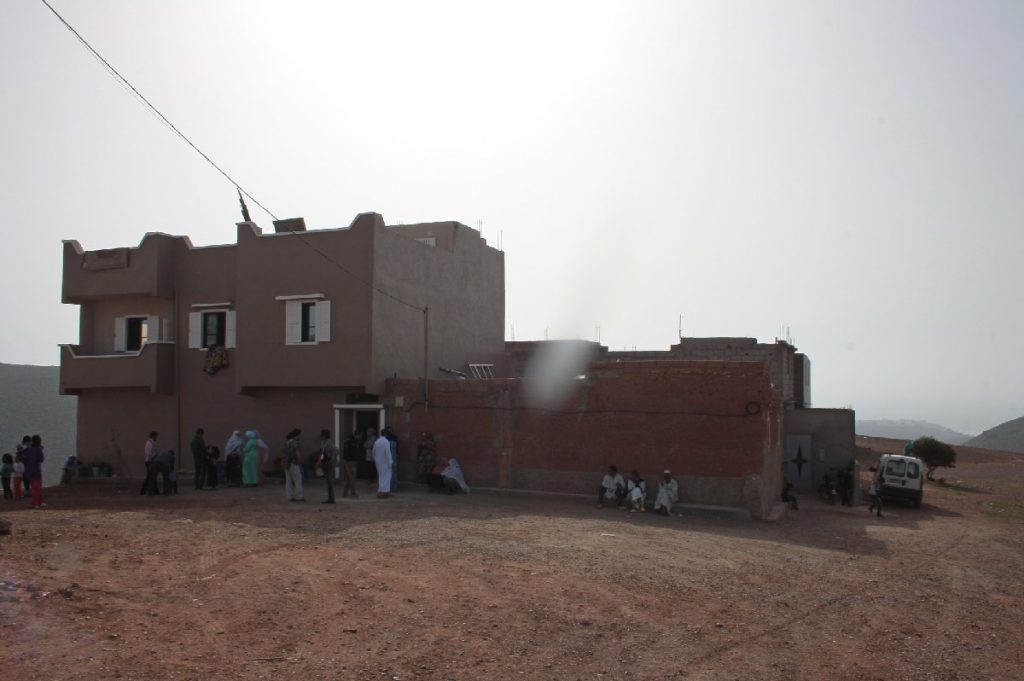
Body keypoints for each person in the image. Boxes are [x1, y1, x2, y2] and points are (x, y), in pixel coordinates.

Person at [20, 435, 46, 508]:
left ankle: (39, 502)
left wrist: (26, 460)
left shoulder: (28, 449)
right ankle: (35, 503)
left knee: (35, 487)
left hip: (29, 471)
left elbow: (20, 454)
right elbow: (41, 459)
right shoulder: (38, 449)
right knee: (37, 488)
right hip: (36, 471)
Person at [283, 429, 304, 502]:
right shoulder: (295, 442)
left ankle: (290, 496)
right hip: (294, 462)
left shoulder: (287, 442)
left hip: (286, 462)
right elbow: (297, 452)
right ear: (297, 435)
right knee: (298, 480)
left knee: (288, 480)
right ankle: (299, 496)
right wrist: (299, 460)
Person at [372, 429, 392, 498]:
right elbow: (388, 453)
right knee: (386, 477)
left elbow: (373, 451)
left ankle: (383, 492)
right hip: (385, 461)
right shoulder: (386, 442)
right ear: (386, 434)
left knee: (381, 476)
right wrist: (390, 462)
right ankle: (383, 492)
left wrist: (375, 459)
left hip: (378, 461)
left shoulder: (377, 441)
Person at [319, 429, 337, 504]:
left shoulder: (329, 443)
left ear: (325, 436)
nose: (320, 436)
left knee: (329, 482)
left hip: (328, 464)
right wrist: (320, 461)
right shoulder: (324, 443)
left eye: (322, 435)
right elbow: (323, 454)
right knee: (328, 482)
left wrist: (331, 461)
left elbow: (335, 451)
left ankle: (331, 499)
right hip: (325, 463)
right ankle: (330, 498)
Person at [341, 431, 361, 498]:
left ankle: (345, 493)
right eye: (359, 436)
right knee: (352, 478)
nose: (360, 437)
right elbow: (349, 452)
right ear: (356, 435)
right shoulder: (350, 442)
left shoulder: (353, 441)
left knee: (348, 478)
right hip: (350, 462)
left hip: (350, 461)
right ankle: (353, 493)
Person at [140, 431, 159, 496]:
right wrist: (154, 457)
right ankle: (147, 491)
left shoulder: (152, 443)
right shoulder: (150, 443)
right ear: (153, 436)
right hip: (150, 461)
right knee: (150, 476)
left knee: (150, 476)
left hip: (151, 461)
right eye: (156, 436)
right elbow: (149, 453)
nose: (157, 437)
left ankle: (145, 491)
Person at [385, 428, 399, 493]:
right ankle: (393, 488)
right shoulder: (394, 439)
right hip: (393, 459)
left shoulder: (385, 440)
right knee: (393, 473)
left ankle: (388, 488)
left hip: (387, 459)